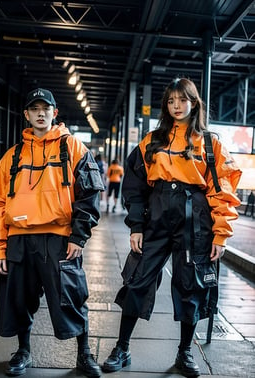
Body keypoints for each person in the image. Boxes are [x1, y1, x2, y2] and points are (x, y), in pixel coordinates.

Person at [102, 78, 242, 377]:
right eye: (170, 101)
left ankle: (185, 352)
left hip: (196, 219)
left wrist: (221, 233)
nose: (176, 106)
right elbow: (135, 186)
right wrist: (136, 225)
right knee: (137, 280)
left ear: (194, 102)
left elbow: (223, 191)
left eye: (182, 100)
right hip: (156, 215)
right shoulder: (152, 141)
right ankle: (122, 348)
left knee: (190, 286)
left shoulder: (210, 143)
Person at [0, 88, 104, 377]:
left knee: (71, 298)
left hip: (59, 239)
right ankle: (23, 351)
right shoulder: (13, 155)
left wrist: (78, 236)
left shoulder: (73, 147)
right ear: (26, 114)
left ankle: (84, 355)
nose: (40, 113)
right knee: (19, 299)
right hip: (19, 240)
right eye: (34, 109)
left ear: (54, 113)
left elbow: (89, 194)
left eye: (45, 108)